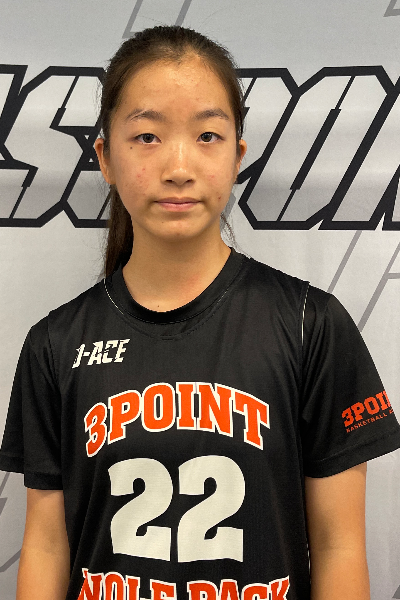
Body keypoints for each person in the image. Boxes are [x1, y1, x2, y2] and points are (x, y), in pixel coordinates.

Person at [0, 25, 399, 600]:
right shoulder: (55, 344)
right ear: (105, 158)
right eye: (147, 136)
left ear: (238, 156)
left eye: (208, 135)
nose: (179, 166)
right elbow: (45, 545)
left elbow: (339, 546)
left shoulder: (311, 324)